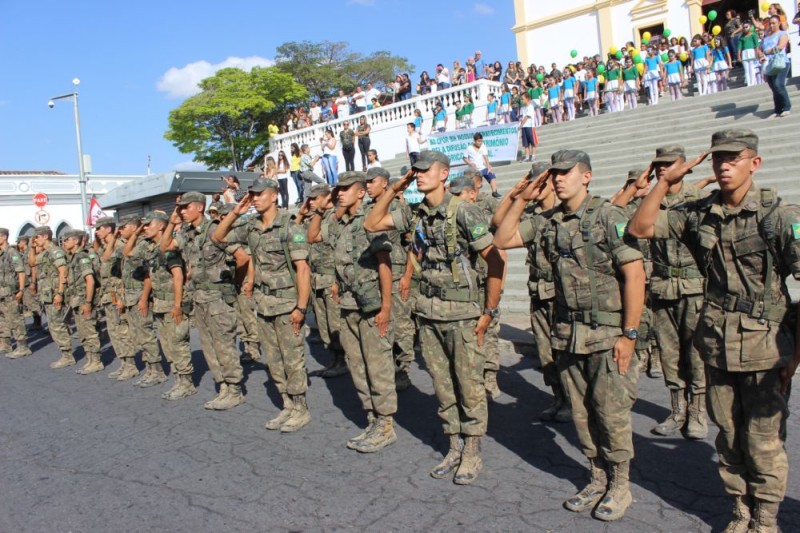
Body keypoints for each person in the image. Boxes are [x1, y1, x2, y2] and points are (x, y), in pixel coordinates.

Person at [628, 128, 800, 533]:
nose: (724, 166)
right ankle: (739, 511)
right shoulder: (700, 212)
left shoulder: (780, 216)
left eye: (734, 158)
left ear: (753, 163)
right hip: (718, 343)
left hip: (767, 348)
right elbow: (640, 228)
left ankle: (766, 519)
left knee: (763, 439)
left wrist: (794, 357)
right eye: (719, 159)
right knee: (728, 435)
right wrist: (664, 182)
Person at [494, 150, 646, 521]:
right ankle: (596, 476)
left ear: (587, 176)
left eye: (566, 173)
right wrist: (521, 198)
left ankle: (620, 485)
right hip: (568, 333)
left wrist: (629, 335)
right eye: (555, 173)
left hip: (608, 334)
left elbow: (635, 274)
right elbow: (502, 238)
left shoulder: (608, 216)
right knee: (580, 414)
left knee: (610, 414)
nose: (558, 179)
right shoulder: (547, 221)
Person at [364, 150, 505, 485]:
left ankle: (472, 450)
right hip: (428, 313)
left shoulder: (464, 210)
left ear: (444, 174)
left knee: (468, 385)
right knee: (442, 387)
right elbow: (372, 223)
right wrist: (398, 185)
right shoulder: (415, 214)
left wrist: (489, 311)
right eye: (417, 170)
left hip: (462, 314)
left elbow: (496, 260)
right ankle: (453, 445)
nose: (420, 174)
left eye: (425, 170)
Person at [213, 177, 312, 432]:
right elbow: (218, 236)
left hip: (288, 304)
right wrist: (236, 210)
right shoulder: (251, 227)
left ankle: (301, 409)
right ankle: (287, 405)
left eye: (259, 194)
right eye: (252, 195)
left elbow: (302, 270)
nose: (255, 198)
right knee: (274, 360)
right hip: (264, 303)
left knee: (293, 359)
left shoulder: (290, 226)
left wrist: (301, 308)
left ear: (274, 196)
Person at [160, 192, 246, 411]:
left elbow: (242, 258)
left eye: (185, 207)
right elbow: (164, 246)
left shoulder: (215, 230)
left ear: (199, 207)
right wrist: (171, 223)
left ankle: (234, 389)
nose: (182, 211)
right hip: (199, 298)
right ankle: (223, 387)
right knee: (209, 346)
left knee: (224, 344)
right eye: (180, 208)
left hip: (218, 298)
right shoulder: (187, 233)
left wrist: (233, 284)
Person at [365, 167, 416, 391]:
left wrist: (407, 276)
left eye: (371, 182)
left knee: (402, 324)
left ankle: (403, 367)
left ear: (384, 183)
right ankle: (386, 367)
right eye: (365, 182)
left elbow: (413, 244)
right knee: (381, 322)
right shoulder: (367, 209)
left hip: (396, 274)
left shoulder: (397, 207)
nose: (367, 186)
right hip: (374, 273)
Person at [141, 210, 197, 400]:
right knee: (167, 344)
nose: (145, 228)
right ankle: (178, 380)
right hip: (160, 304)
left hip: (173, 302)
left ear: (161, 226)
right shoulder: (151, 248)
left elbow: (178, 276)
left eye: (149, 224)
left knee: (178, 342)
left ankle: (186, 383)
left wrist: (177, 305)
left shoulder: (169, 248)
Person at [300, 184, 349, 379]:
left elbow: (341, 249)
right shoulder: (311, 219)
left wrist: (338, 280)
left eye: (314, 198)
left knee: (335, 323)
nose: (310, 202)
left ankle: (344, 361)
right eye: (308, 199)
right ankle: (335, 360)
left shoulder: (335, 217)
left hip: (331, 279)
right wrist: (301, 216)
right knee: (324, 324)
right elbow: (298, 237)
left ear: (326, 198)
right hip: (316, 280)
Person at [120, 215, 167, 388]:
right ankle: (150, 369)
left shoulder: (154, 244)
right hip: (133, 296)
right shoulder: (143, 243)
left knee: (146, 335)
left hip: (141, 295)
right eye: (143, 226)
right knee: (140, 335)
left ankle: (157, 371)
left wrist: (144, 298)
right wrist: (138, 232)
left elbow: (149, 275)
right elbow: (127, 252)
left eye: (148, 225)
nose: (146, 228)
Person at [61, 229, 102, 375]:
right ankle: (90, 360)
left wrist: (88, 303)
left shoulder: (82, 257)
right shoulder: (73, 257)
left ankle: (96, 361)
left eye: (67, 239)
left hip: (84, 300)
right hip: (76, 301)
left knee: (90, 332)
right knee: (83, 332)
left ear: (76, 241)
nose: (64, 242)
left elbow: (90, 281)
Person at [0, 228, 29, 359]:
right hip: (1, 293)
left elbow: (21, 271)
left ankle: (23, 347)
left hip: (11, 293)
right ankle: (5, 344)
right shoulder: (1, 254)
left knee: (16, 319)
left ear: (4, 237)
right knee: (3, 319)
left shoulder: (12, 253)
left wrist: (21, 290)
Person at [761, 15, 791, 118]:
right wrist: (761, 55)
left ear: (778, 23)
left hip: (781, 62)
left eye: (774, 23)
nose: (772, 25)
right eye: (770, 23)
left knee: (779, 84)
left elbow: (781, 46)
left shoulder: (782, 34)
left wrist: (771, 50)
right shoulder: (766, 37)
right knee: (773, 86)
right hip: (770, 64)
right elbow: (761, 49)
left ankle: (786, 107)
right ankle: (778, 109)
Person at [463, 132, 500, 198]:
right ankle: (474, 196)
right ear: (474, 141)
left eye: (481, 141)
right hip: (474, 170)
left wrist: (489, 167)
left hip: (482, 168)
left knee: (492, 176)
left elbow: (486, 157)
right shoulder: (469, 148)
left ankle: (494, 192)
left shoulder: (483, 146)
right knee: (475, 184)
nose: (480, 142)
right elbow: (464, 158)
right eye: (478, 141)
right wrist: (470, 163)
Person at [739, 21, 762, 87]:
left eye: (746, 27)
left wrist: (757, 53)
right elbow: (739, 47)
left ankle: (753, 82)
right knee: (746, 69)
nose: (745, 28)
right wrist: (739, 56)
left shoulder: (754, 35)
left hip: (752, 52)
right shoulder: (742, 37)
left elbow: (757, 45)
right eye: (744, 27)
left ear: (750, 27)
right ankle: (749, 83)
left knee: (752, 68)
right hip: (744, 53)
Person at [519, 92, 538, 162]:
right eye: (521, 99)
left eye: (523, 99)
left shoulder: (530, 107)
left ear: (527, 99)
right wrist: (520, 120)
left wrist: (521, 125)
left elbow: (527, 117)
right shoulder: (522, 108)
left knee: (532, 142)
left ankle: (533, 156)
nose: (522, 100)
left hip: (530, 126)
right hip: (524, 127)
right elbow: (521, 116)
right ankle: (527, 156)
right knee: (525, 143)